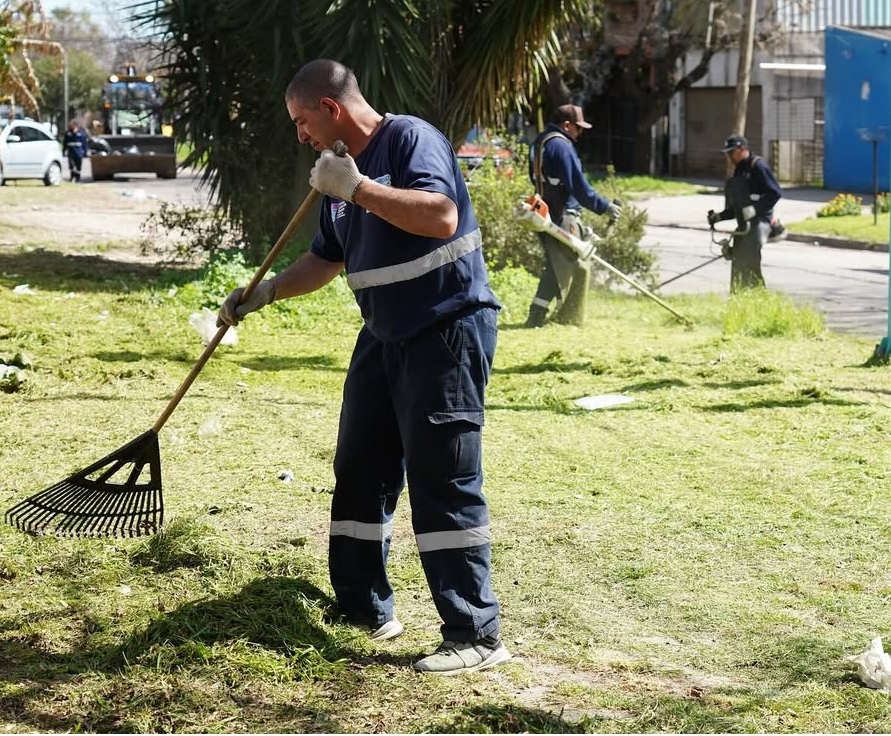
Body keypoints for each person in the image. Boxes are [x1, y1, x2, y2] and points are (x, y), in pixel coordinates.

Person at [217, 59, 510, 676]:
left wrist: (357, 189)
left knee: (442, 478)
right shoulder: (337, 170)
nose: (300, 136)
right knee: (359, 468)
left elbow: (440, 216)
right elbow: (325, 260)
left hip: (445, 329)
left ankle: (474, 634)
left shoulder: (408, 140)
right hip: (383, 334)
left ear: (330, 108)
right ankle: (363, 607)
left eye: (302, 121)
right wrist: (266, 291)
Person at [524, 104, 622, 327]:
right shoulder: (561, 145)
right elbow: (578, 185)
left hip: (543, 212)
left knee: (557, 264)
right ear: (567, 125)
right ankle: (551, 316)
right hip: (562, 215)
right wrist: (604, 206)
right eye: (579, 128)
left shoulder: (540, 141)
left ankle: (538, 314)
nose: (580, 133)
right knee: (568, 264)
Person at [707, 134, 786, 290]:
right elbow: (739, 205)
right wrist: (719, 216)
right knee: (738, 260)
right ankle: (738, 296)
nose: (729, 156)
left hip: (760, 222)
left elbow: (775, 192)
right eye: (728, 153)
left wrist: (755, 209)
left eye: (732, 152)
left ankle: (758, 296)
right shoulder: (739, 169)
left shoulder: (758, 166)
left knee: (749, 262)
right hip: (745, 224)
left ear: (742, 149)